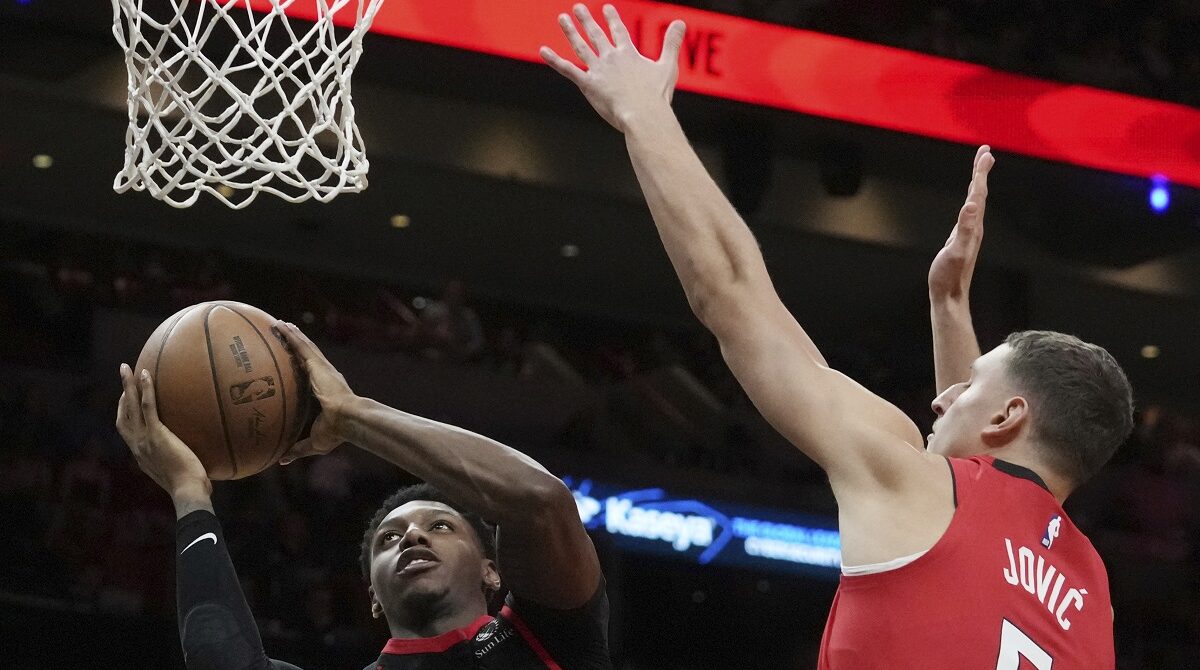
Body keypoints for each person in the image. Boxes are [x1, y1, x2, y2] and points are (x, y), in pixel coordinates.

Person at [541, 5, 1132, 668]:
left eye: (969, 388)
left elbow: (733, 295)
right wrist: (946, 304)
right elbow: (979, 521)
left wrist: (645, 117)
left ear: (1011, 413)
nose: (941, 398)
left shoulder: (907, 481)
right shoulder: (1093, 592)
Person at [114, 320, 610, 669]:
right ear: (373, 595)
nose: (412, 534)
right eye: (388, 539)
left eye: (440, 525)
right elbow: (220, 655)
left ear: (492, 570)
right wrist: (189, 494)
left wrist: (353, 416)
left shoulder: (545, 641)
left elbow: (540, 502)